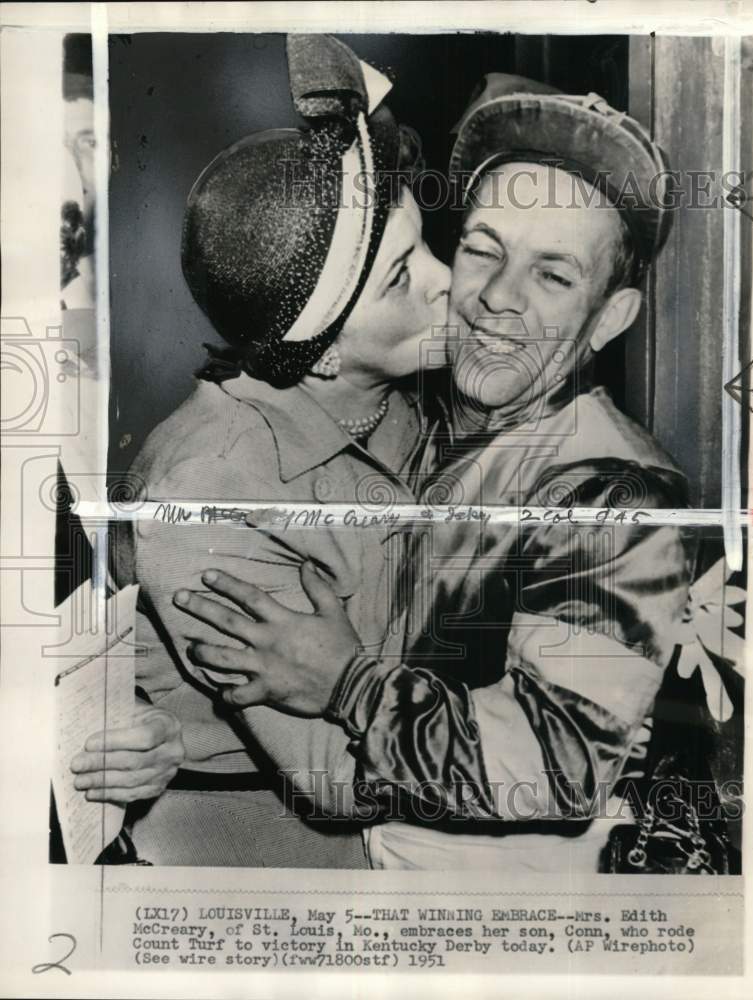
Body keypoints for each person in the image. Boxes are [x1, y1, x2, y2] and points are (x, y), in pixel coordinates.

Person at [173, 75, 700, 871]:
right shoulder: (430, 423)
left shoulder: (615, 491)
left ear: (611, 318)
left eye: (554, 276)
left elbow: (556, 765)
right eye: (484, 249)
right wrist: (166, 732)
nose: (495, 297)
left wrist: (349, 684)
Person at [70, 35, 450, 867]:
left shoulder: (387, 398)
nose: (445, 278)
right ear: (323, 352)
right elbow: (340, 777)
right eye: (401, 275)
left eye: (424, 246)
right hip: (269, 856)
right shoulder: (208, 488)